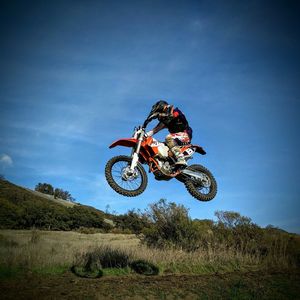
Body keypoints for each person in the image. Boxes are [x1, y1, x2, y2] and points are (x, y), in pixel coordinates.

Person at [145, 100, 193, 165]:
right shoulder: (165, 122)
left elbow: (173, 115)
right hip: (176, 139)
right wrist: (145, 134)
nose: (159, 117)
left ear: (164, 108)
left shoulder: (176, 111)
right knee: (157, 146)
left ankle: (180, 158)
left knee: (169, 138)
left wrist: (159, 114)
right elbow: (155, 130)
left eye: (160, 112)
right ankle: (165, 165)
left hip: (185, 135)